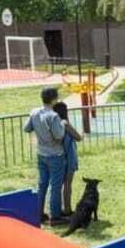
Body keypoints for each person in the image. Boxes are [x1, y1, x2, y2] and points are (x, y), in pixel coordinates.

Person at [24, 87, 68, 226]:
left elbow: (27, 128)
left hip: (41, 153)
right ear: (54, 99)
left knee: (42, 184)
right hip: (55, 154)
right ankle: (55, 216)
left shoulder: (34, 112)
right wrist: (62, 124)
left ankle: (39, 214)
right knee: (55, 186)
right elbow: (59, 135)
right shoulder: (53, 116)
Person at [52, 101, 84, 213]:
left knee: (57, 185)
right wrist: (82, 133)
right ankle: (67, 209)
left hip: (57, 156)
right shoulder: (65, 123)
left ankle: (55, 209)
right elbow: (78, 137)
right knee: (67, 184)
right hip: (69, 156)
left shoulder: (53, 124)